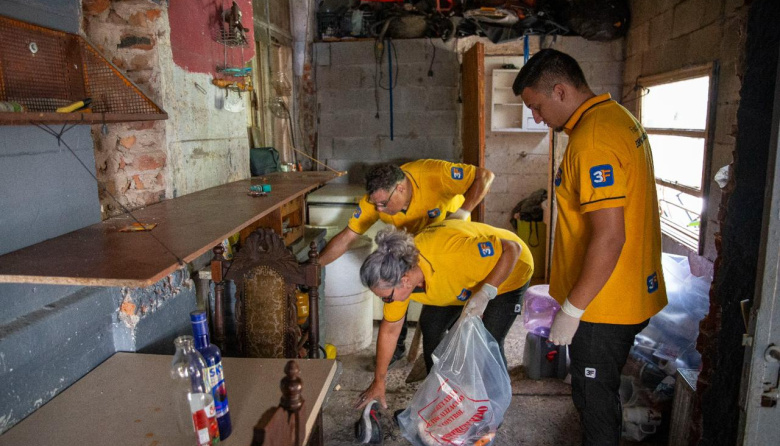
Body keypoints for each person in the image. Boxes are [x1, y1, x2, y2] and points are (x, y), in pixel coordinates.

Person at [512, 48, 668, 445]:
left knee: (593, 400)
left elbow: (610, 236)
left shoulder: (592, 139)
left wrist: (574, 309)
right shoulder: (617, 116)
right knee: (597, 394)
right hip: (624, 291)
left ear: (560, 91)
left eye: (537, 106)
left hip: (604, 305)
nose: (537, 118)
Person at [319, 159, 495, 364]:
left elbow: (484, 176)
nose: (380, 210)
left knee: (443, 320)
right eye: (376, 205)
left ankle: (460, 362)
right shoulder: (375, 201)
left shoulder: (433, 174)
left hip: (446, 254)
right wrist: (315, 267)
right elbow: (347, 237)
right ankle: (396, 350)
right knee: (392, 294)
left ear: (400, 188)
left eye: (384, 204)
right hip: (408, 254)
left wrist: (463, 212)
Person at [353, 220, 534, 411]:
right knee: (431, 325)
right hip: (462, 280)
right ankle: (442, 394)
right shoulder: (400, 273)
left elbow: (512, 249)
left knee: (488, 343)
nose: (386, 302)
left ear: (405, 281)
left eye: (386, 298)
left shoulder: (452, 255)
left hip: (510, 271)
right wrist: (379, 381)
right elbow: (390, 330)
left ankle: (491, 411)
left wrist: (486, 292)